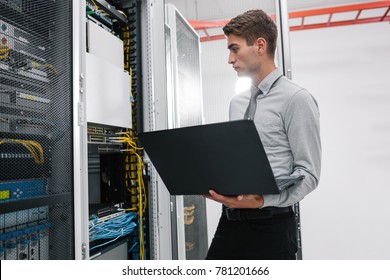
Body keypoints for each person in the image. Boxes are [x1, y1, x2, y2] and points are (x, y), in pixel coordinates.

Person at [204, 9, 321, 260]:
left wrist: (260, 200)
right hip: (230, 222)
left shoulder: (296, 99)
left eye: (234, 49)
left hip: (272, 227)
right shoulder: (237, 103)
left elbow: (308, 174)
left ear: (259, 45)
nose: (230, 59)